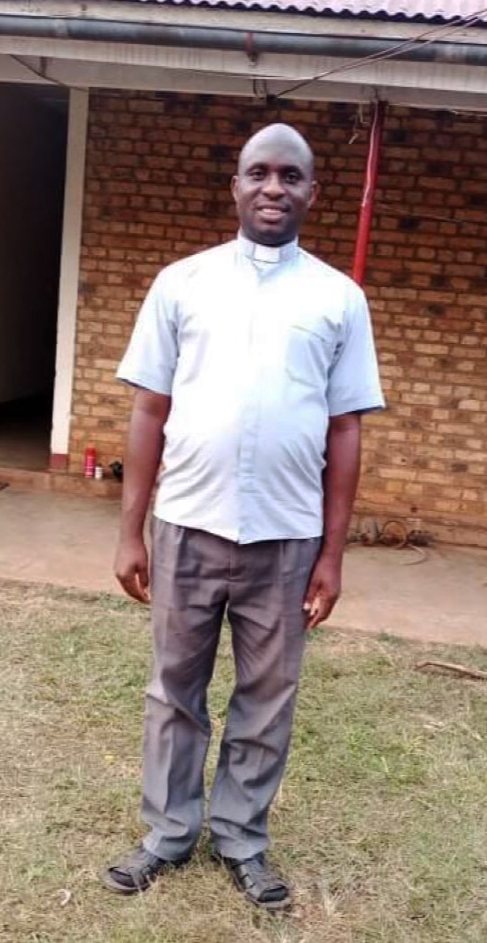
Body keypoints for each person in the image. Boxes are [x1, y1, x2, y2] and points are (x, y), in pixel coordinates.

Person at [101, 123, 384, 911]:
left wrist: (332, 554)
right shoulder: (182, 283)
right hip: (187, 523)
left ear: (311, 192)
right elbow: (148, 409)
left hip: (286, 535)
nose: (272, 187)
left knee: (267, 695)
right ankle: (167, 832)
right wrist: (130, 530)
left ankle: (241, 837)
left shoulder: (338, 298)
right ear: (234, 185)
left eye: (290, 175)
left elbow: (345, 428)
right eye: (258, 172)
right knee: (173, 689)